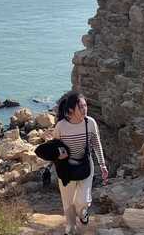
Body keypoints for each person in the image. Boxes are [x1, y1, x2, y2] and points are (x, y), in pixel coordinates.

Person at [52, 91, 108, 235]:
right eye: (81, 107)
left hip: (85, 166)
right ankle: (70, 228)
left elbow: (96, 144)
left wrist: (102, 165)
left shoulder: (90, 123)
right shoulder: (61, 126)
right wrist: (58, 157)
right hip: (66, 169)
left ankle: (83, 213)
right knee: (68, 202)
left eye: (85, 106)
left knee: (81, 201)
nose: (85, 109)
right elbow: (55, 147)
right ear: (71, 110)